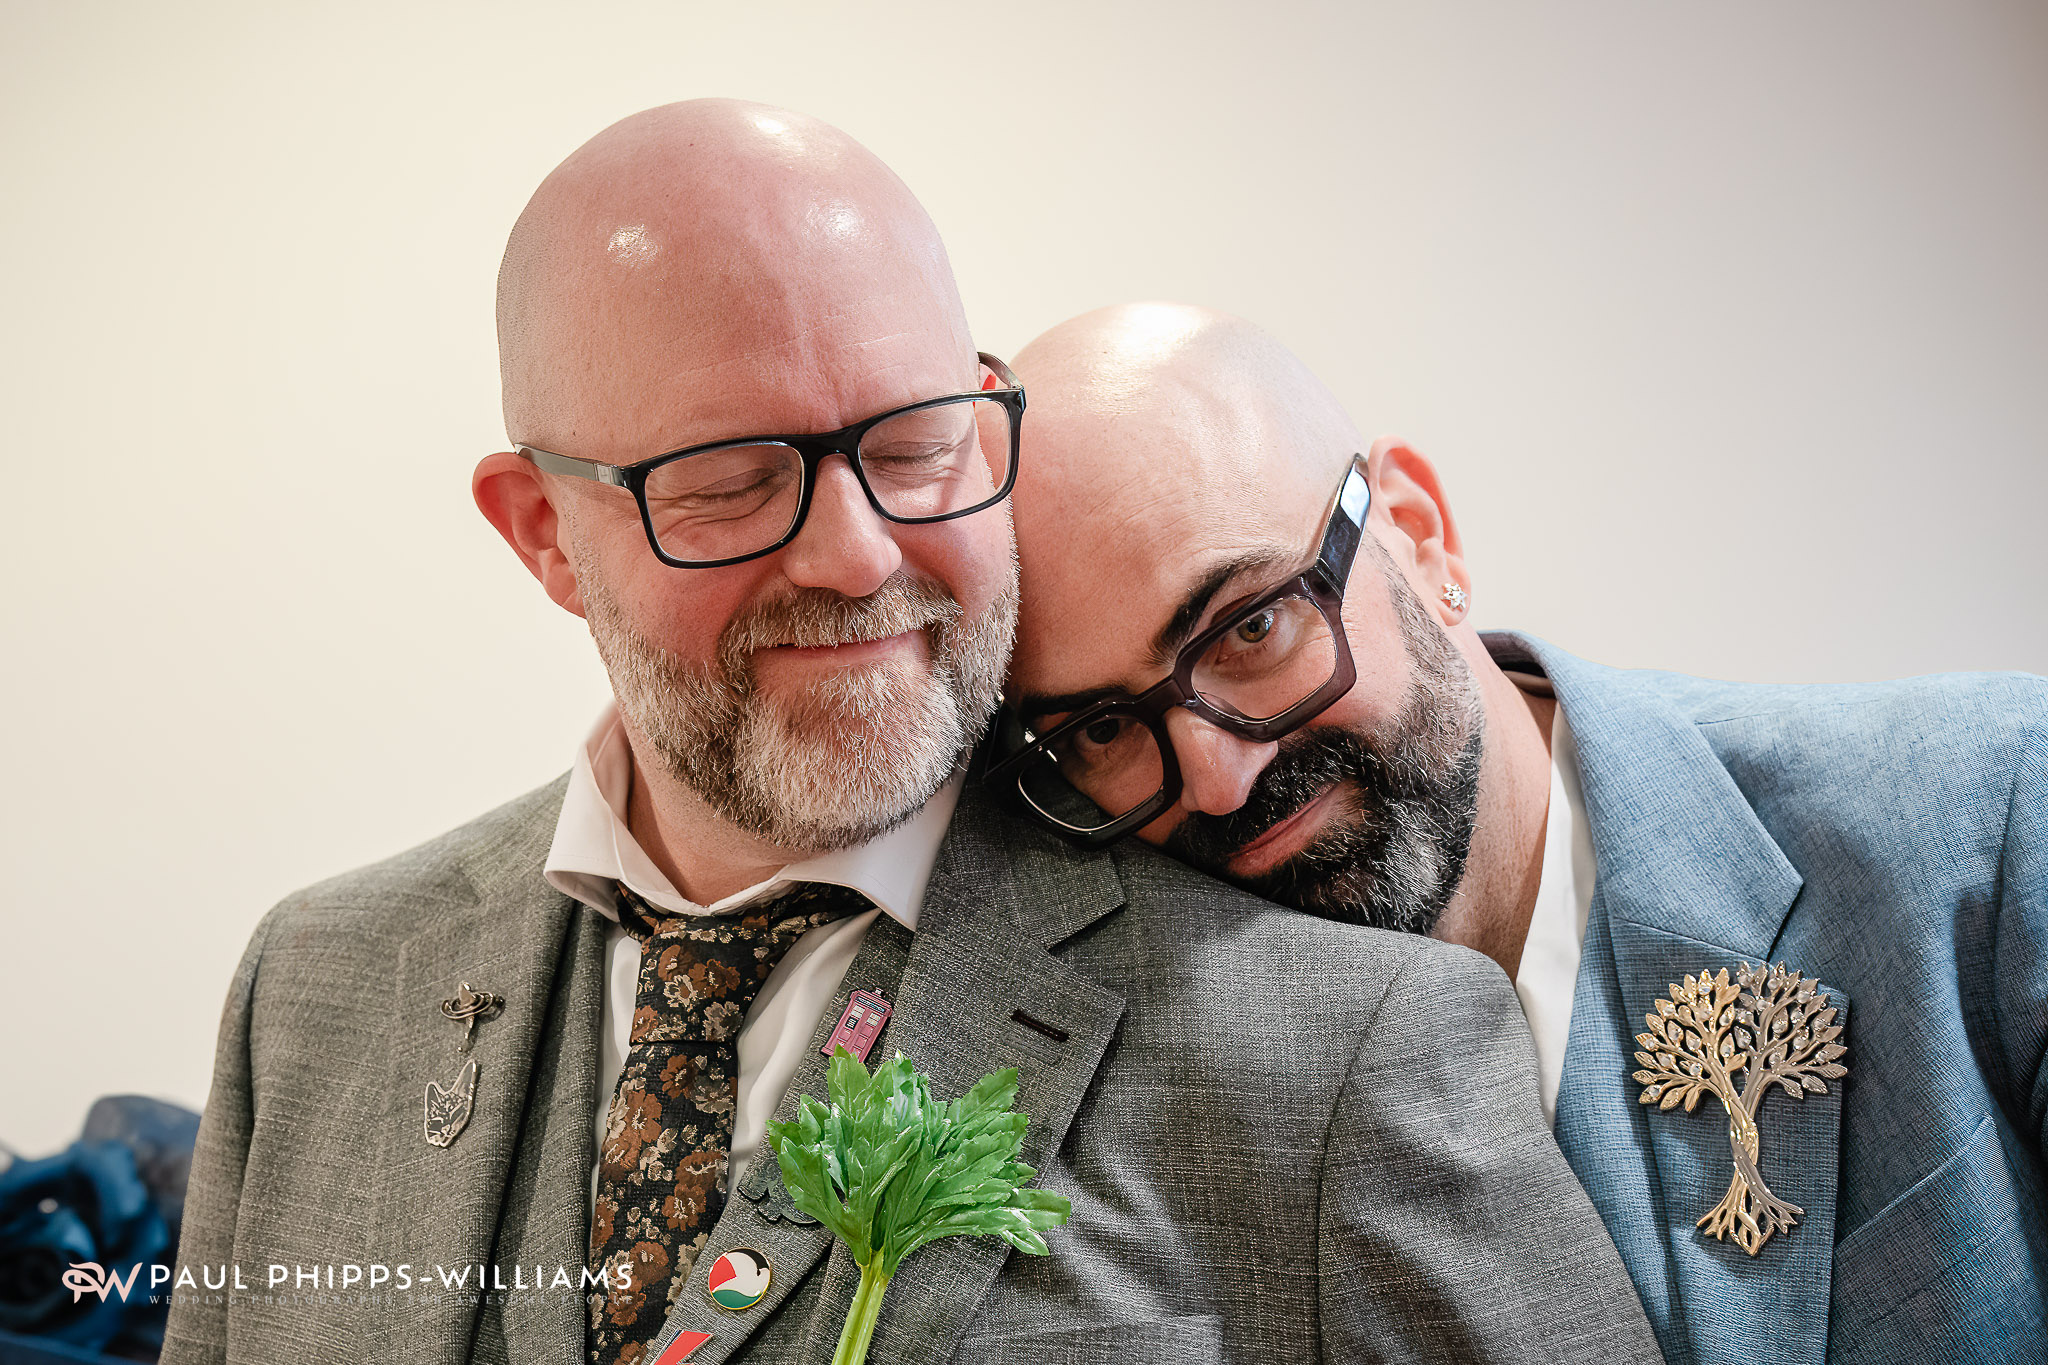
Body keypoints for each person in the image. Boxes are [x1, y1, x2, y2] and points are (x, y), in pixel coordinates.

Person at [162, 107, 1658, 1365]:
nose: (858, 555)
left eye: (915, 446)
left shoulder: (1349, 1053)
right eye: (733, 480)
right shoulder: (314, 987)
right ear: (544, 532)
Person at [989, 301, 2048, 1365]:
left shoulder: (1990, 806)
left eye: (1252, 627)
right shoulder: (1150, 1115)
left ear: (1420, 533)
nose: (1219, 782)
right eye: (1104, 728)